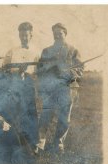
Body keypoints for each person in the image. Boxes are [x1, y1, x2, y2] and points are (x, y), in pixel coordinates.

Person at [35, 23, 83, 154]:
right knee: (45, 115)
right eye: (55, 33)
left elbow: (80, 70)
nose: (57, 35)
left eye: (60, 33)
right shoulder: (46, 51)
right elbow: (39, 69)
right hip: (50, 89)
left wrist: (68, 74)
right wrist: (49, 70)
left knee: (64, 118)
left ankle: (58, 143)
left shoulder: (73, 51)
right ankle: (41, 142)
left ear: (65, 34)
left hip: (67, 89)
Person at [2, 22, 40, 157]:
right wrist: (16, 73)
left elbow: (38, 72)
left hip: (28, 85)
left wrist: (26, 73)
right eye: (22, 34)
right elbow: (4, 69)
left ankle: (32, 144)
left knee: (30, 114)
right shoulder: (12, 51)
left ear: (31, 35)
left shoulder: (36, 52)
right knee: (13, 113)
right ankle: (13, 143)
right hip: (14, 84)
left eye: (27, 35)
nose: (24, 37)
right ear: (19, 35)